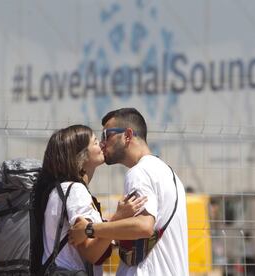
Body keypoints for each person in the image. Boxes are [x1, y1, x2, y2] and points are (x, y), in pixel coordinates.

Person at [69, 108, 190, 276]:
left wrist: (89, 229)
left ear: (127, 135)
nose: (102, 143)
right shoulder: (169, 174)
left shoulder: (138, 172)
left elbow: (144, 226)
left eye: (106, 135)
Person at [34, 125, 147, 276]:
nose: (101, 144)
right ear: (81, 156)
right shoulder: (76, 192)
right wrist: (118, 218)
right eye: (94, 142)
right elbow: (91, 253)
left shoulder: (59, 190)